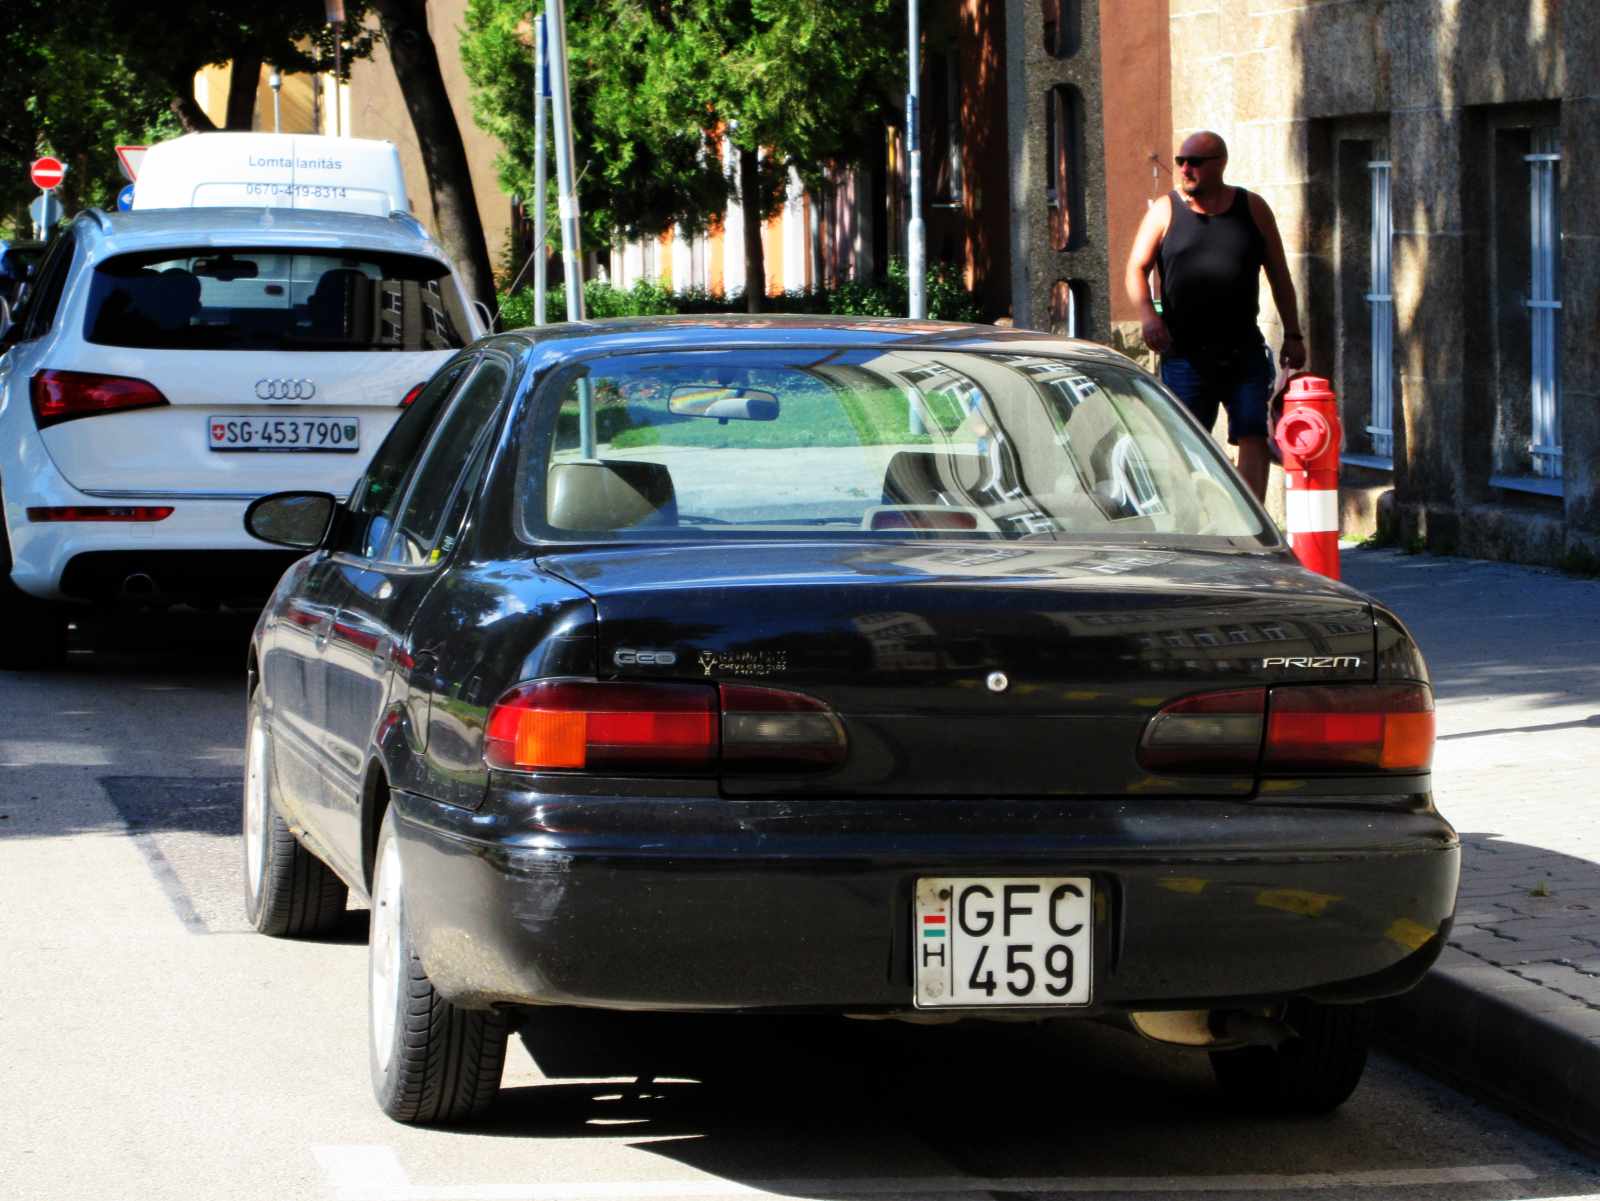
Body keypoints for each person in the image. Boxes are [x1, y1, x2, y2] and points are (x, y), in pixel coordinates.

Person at [1124, 130, 1306, 501]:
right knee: (1185, 439)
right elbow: (1135, 268)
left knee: (1252, 432)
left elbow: (1279, 274)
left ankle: (1252, 522)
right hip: (1185, 353)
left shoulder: (1252, 209)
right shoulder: (1165, 210)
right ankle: (1194, 516)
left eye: (1194, 162)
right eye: (1180, 162)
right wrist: (1149, 318)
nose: (1185, 169)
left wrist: (1293, 333)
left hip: (1243, 350)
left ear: (1220, 164)